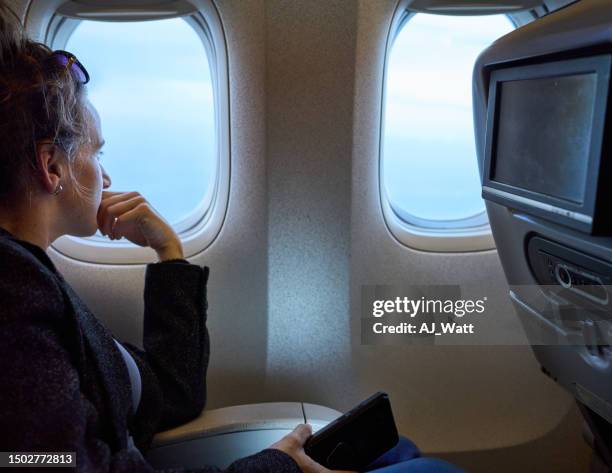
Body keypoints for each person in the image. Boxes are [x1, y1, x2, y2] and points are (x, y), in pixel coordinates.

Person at [0, 6, 463, 473]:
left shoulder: (31, 279)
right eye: (97, 152)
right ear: (52, 167)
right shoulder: (15, 298)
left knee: (394, 449)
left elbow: (172, 394)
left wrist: (170, 253)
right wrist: (276, 468)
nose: (107, 173)